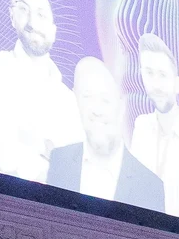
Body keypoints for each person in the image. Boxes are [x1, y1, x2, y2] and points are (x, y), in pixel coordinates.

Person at [0, 0, 77, 182]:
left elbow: (75, 172)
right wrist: (50, 154)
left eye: (41, 13)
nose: (32, 22)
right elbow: (5, 155)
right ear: (12, 16)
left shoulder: (69, 99)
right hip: (8, 206)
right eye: (23, 9)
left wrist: (31, 145)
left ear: (54, 29)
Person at [47, 58, 164, 208]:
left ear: (121, 107)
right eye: (87, 97)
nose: (97, 110)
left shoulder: (150, 187)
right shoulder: (59, 161)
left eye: (106, 100)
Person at [127, 35, 179, 215]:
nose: (156, 84)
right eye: (149, 73)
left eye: (163, 75)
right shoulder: (141, 127)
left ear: (178, 84)